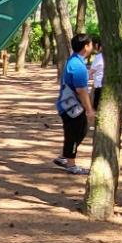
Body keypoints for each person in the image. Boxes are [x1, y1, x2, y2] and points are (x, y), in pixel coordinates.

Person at [54, 33, 95, 174]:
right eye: (90, 44)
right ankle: (71, 165)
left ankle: (64, 157)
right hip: (72, 107)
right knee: (75, 134)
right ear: (86, 46)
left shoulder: (75, 61)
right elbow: (81, 91)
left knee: (77, 132)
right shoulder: (78, 65)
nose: (92, 46)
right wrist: (89, 110)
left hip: (68, 105)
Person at [89, 36, 104, 111]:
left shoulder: (99, 57)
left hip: (99, 85)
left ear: (97, 45)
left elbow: (91, 71)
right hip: (105, 84)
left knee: (96, 107)